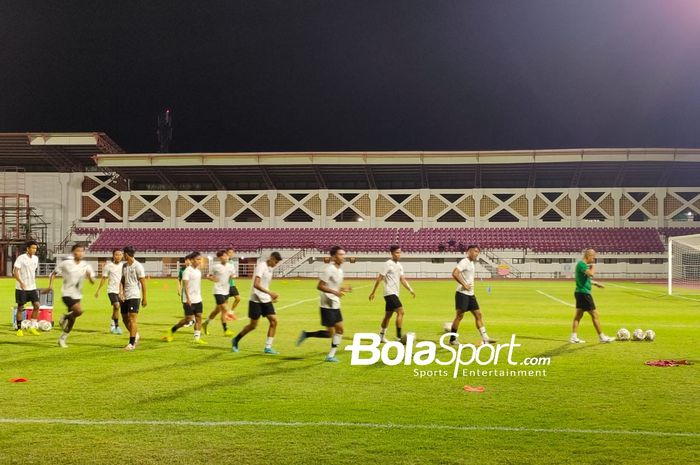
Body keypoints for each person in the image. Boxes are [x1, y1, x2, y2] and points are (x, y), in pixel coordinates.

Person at [297, 246, 352, 362]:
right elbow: (320, 286)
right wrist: (335, 292)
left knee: (340, 330)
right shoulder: (329, 269)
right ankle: (306, 335)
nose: (343, 257)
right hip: (326, 305)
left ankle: (331, 355)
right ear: (333, 257)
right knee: (330, 334)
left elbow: (334, 286)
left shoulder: (340, 271)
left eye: (344, 254)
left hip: (335, 304)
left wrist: (343, 289)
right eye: (340, 254)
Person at [231, 252, 282, 354]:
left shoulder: (270, 268)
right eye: (275, 262)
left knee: (274, 321)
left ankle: (268, 347)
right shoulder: (261, 266)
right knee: (253, 326)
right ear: (271, 258)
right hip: (255, 299)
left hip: (265, 299)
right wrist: (270, 293)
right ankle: (236, 340)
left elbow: (265, 284)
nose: (275, 264)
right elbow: (256, 285)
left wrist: (269, 297)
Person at [47, 245, 95, 348]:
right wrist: (50, 286)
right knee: (78, 311)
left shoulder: (86, 265)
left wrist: (90, 277)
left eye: (82, 251)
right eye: (78, 251)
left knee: (72, 320)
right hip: (67, 293)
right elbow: (53, 273)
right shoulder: (66, 263)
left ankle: (62, 339)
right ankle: (64, 317)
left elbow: (92, 281)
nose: (80, 253)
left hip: (77, 295)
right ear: (73, 252)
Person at [448, 245, 496, 345]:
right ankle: (452, 339)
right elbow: (455, 273)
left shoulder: (471, 263)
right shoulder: (464, 262)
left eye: (478, 252)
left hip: (470, 294)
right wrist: (464, 284)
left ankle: (485, 337)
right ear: (468, 251)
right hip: (462, 294)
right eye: (474, 251)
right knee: (459, 316)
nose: (476, 253)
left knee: (478, 314)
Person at [368, 245, 415, 342]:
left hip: (394, 293)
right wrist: (373, 292)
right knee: (401, 312)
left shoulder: (400, 266)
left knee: (388, 316)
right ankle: (398, 337)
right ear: (392, 253)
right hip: (389, 293)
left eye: (400, 252)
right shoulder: (387, 264)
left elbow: (402, 279)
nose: (399, 254)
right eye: (397, 252)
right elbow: (380, 278)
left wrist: (410, 289)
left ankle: (381, 336)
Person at [570, 248, 614, 344]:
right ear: (588, 256)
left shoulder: (582, 265)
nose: (593, 260)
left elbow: (584, 279)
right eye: (593, 257)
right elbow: (590, 274)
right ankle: (602, 337)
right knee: (595, 315)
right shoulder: (582, 264)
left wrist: (595, 283)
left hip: (579, 292)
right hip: (584, 293)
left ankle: (573, 337)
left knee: (578, 315)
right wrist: (593, 267)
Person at [162, 252, 206, 344]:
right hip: (188, 300)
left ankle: (197, 338)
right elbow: (185, 287)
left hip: (198, 299)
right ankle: (172, 330)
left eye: (200, 259)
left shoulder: (198, 271)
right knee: (188, 319)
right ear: (192, 260)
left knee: (199, 318)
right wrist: (188, 299)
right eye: (198, 259)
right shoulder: (187, 271)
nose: (199, 261)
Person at [203, 250, 237, 336]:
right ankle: (226, 330)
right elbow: (208, 276)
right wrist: (212, 279)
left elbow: (233, 275)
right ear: (219, 258)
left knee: (218, 310)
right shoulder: (215, 267)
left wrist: (233, 276)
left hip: (226, 290)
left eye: (226, 256)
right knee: (225, 309)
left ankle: (205, 323)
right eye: (223, 256)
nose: (225, 257)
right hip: (218, 290)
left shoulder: (231, 266)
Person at [120, 245, 147, 351]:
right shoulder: (124, 266)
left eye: (123, 254)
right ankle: (136, 335)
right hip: (125, 296)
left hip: (134, 296)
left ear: (126, 254)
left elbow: (143, 283)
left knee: (132, 319)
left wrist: (144, 298)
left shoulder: (138, 266)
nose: (122, 256)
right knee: (124, 318)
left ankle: (131, 344)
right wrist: (120, 292)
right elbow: (122, 280)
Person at [13, 240, 41, 336]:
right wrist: (20, 282)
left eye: (35, 248)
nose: (34, 250)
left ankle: (32, 327)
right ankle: (19, 329)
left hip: (32, 287)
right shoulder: (21, 258)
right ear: (27, 249)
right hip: (21, 288)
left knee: (37, 305)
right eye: (32, 248)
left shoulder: (36, 259)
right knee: (21, 308)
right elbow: (15, 271)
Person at [94, 248, 124, 334]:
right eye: (116, 255)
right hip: (111, 290)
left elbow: (124, 279)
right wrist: (98, 290)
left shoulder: (123, 266)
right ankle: (117, 326)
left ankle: (112, 324)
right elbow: (104, 278)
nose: (118, 256)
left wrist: (123, 290)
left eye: (120, 254)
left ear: (122, 256)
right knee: (117, 306)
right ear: (113, 256)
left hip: (120, 290)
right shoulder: (108, 266)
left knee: (116, 309)